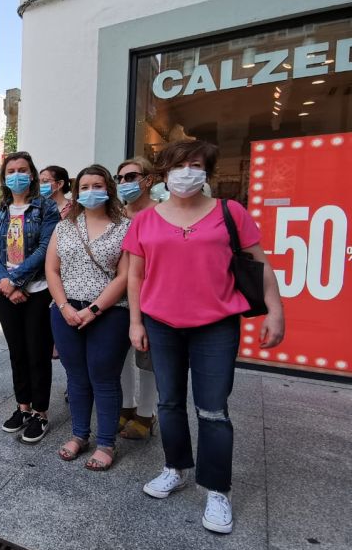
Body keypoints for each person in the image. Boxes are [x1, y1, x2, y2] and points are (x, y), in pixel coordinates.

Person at [125, 140, 284, 534]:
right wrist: (136, 322)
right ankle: (175, 467)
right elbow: (135, 275)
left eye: (195, 164)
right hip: (161, 323)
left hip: (216, 326)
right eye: (179, 165)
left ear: (207, 171)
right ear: (164, 172)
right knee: (170, 403)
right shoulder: (144, 220)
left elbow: (259, 263)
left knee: (213, 410)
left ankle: (216, 489)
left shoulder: (231, 212)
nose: (187, 172)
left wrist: (276, 310)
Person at [46, 164, 131, 471]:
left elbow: (126, 275)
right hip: (65, 311)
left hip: (110, 313)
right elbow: (52, 269)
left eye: (97, 185)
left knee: (104, 377)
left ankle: (106, 442)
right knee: (77, 376)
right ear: (76, 191)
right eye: (84, 187)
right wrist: (65, 306)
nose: (90, 191)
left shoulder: (124, 226)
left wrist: (93, 309)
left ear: (108, 188)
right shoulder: (66, 225)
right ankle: (80, 435)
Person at [0, 152, 60, 444]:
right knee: (17, 352)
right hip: (5, 292)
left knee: (37, 353)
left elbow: (45, 249)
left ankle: (40, 413)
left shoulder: (45, 209)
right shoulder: (0, 211)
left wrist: (17, 281)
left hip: (37, 291)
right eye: (11, 170)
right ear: (5, 177)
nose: (16, 175)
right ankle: (22, 407)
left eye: (22, 170)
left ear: (31, 174)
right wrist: (6, 283)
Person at [114, 157, 160, 439]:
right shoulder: (118, 214)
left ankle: (146, 413)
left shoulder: (161, 214)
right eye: (120, 178)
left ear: (148, 180)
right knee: (120, 356)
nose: (124, 183)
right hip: (117, 297)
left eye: (131, 177)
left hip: (151, 295)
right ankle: (126, 405)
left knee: (147, 357)